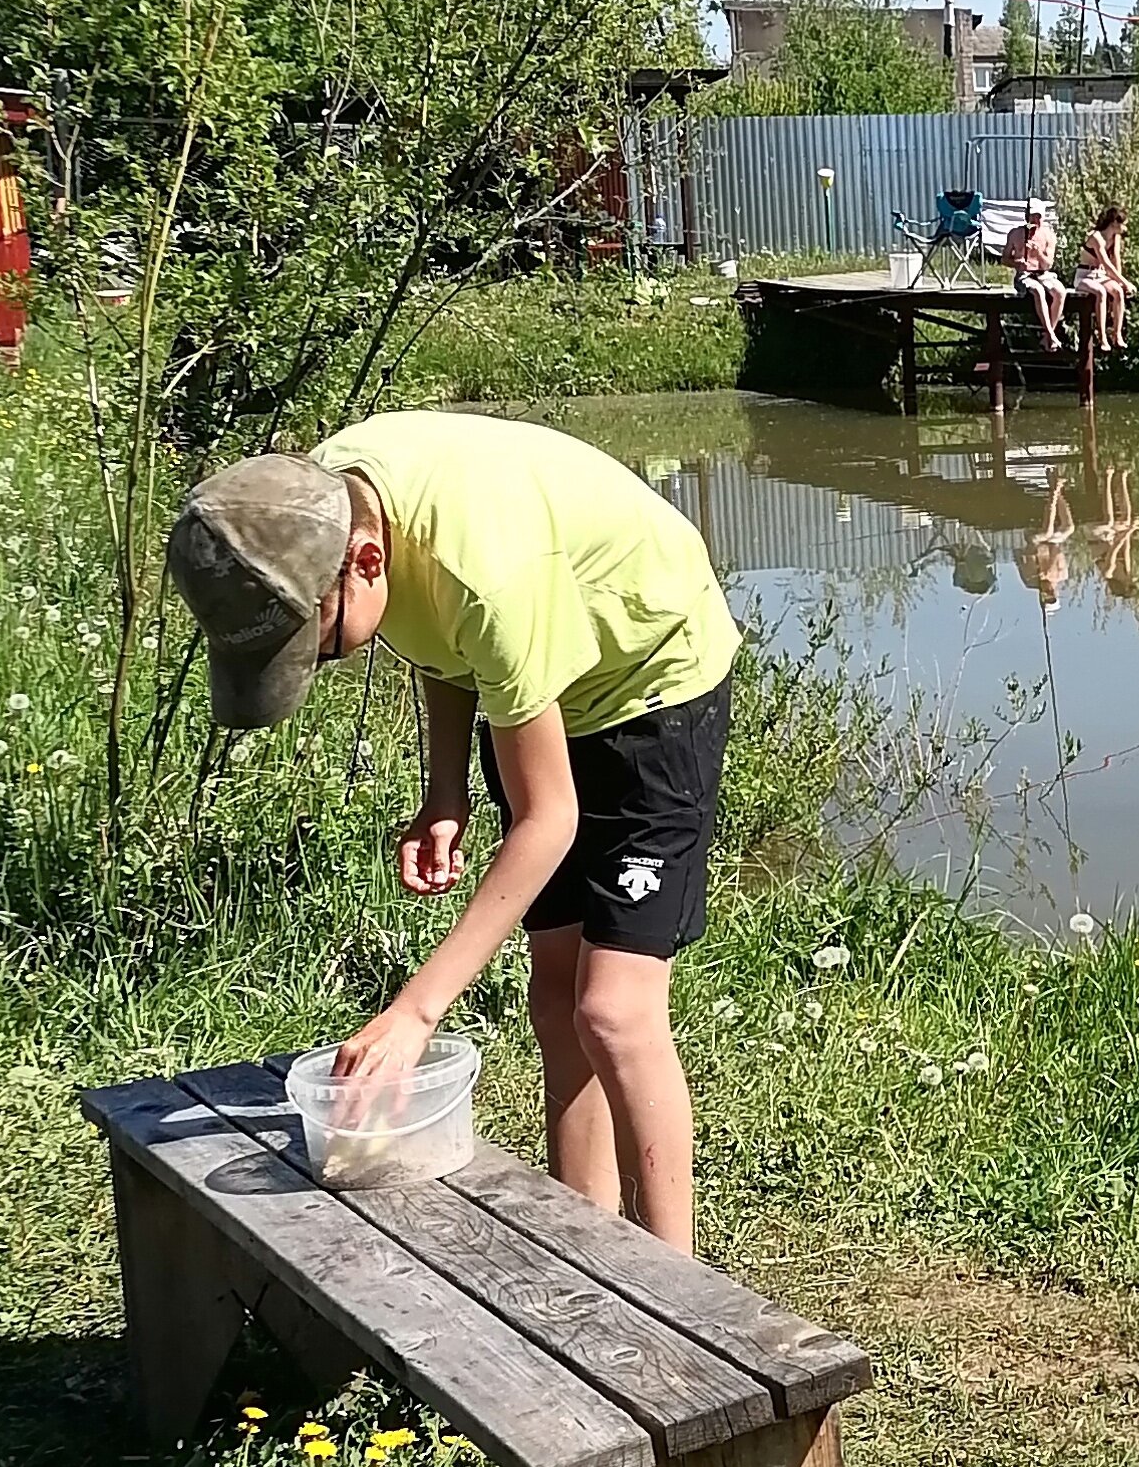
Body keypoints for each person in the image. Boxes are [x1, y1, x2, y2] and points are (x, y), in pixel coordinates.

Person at [164, 411, 742, 1253]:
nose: (320, 666)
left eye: (314, 649)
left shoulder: (486, 570)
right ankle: (590, 1248)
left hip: (651, 680)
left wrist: (415, 1011)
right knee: (555, 998)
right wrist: (445, 792)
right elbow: (439, 638)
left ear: (365, 563)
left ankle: (681, 1286)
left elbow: (551, 817)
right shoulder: (314, 509)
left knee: (612, 1009)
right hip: (541, 682)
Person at [999, 199, 1067, 346]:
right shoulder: (1016, 233)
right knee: (1038, 290)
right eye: (1032, 216)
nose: (1035, 220)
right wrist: (1016, 263)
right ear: (1026, 217)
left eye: (1038, 216)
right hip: (1025, 275)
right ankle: (1050, 335)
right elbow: (1004, 259)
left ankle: (1048, 335)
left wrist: (1038, 254)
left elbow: (1048, 264)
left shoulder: (1048, 235)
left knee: (1060, 291)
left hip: (1043, 274)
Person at [1070, 200, 1129, 353]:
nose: (1125, 228)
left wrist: (1120, 282)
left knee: (1118, 292)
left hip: (1100, 274)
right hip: (1085, 275)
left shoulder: (1115, 238)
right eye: (1123, 224)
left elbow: (1115, 260)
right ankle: (1102, 337)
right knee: (1100, 292)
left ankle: (1117, 334)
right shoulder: (1096, 237)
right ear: (1114, 222)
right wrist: (1125, 281)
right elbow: (1106, 263)